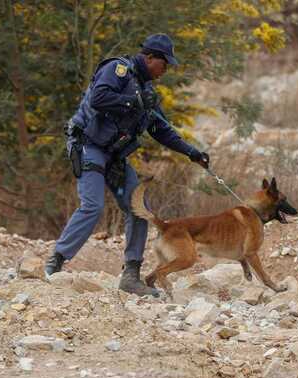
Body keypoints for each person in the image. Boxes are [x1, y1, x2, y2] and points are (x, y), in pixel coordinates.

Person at [44, 34, 210, 296]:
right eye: (164, 64)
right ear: (150, 57)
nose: (165, 70)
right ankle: (55, 263)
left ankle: (131, 276)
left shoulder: (148, 92)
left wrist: (192, 153)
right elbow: (99, 97)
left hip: (115, 157)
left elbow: (161, 130)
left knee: (140, 210)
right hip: (90, 147)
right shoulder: (118, 70)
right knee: (92, 206)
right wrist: (132, 102)